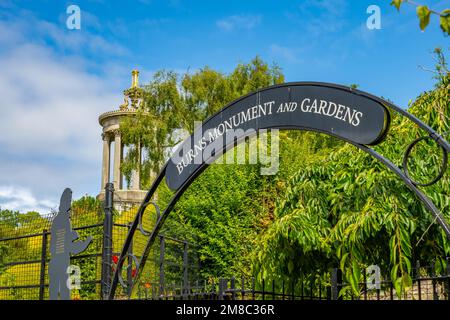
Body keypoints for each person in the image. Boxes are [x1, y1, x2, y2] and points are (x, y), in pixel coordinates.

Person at [49, 188, 92, 300]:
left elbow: (57, 241)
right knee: (64, 292)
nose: (70, 204)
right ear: (65, 202)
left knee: (53, 293)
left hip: (54, 261)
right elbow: (70, 247)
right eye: (69, 201)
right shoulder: (65, 220)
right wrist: (86, 241)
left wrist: (72, 236)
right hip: (62, 262)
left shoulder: (56, 220)